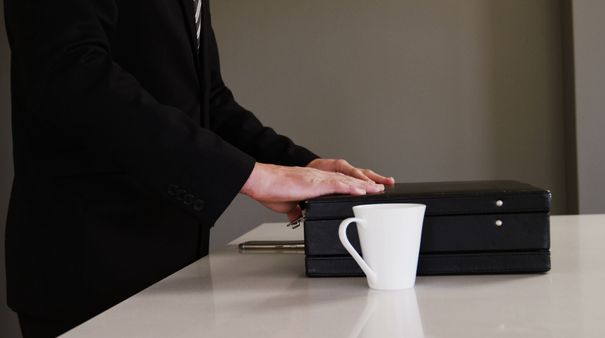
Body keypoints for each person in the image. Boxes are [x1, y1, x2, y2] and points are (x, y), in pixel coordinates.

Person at [3, 0, 394, 337]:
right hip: (86, 268)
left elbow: (209, 101)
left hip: (174, 270)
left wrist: (303, 167)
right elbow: (73, 76)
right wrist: (254, 177)